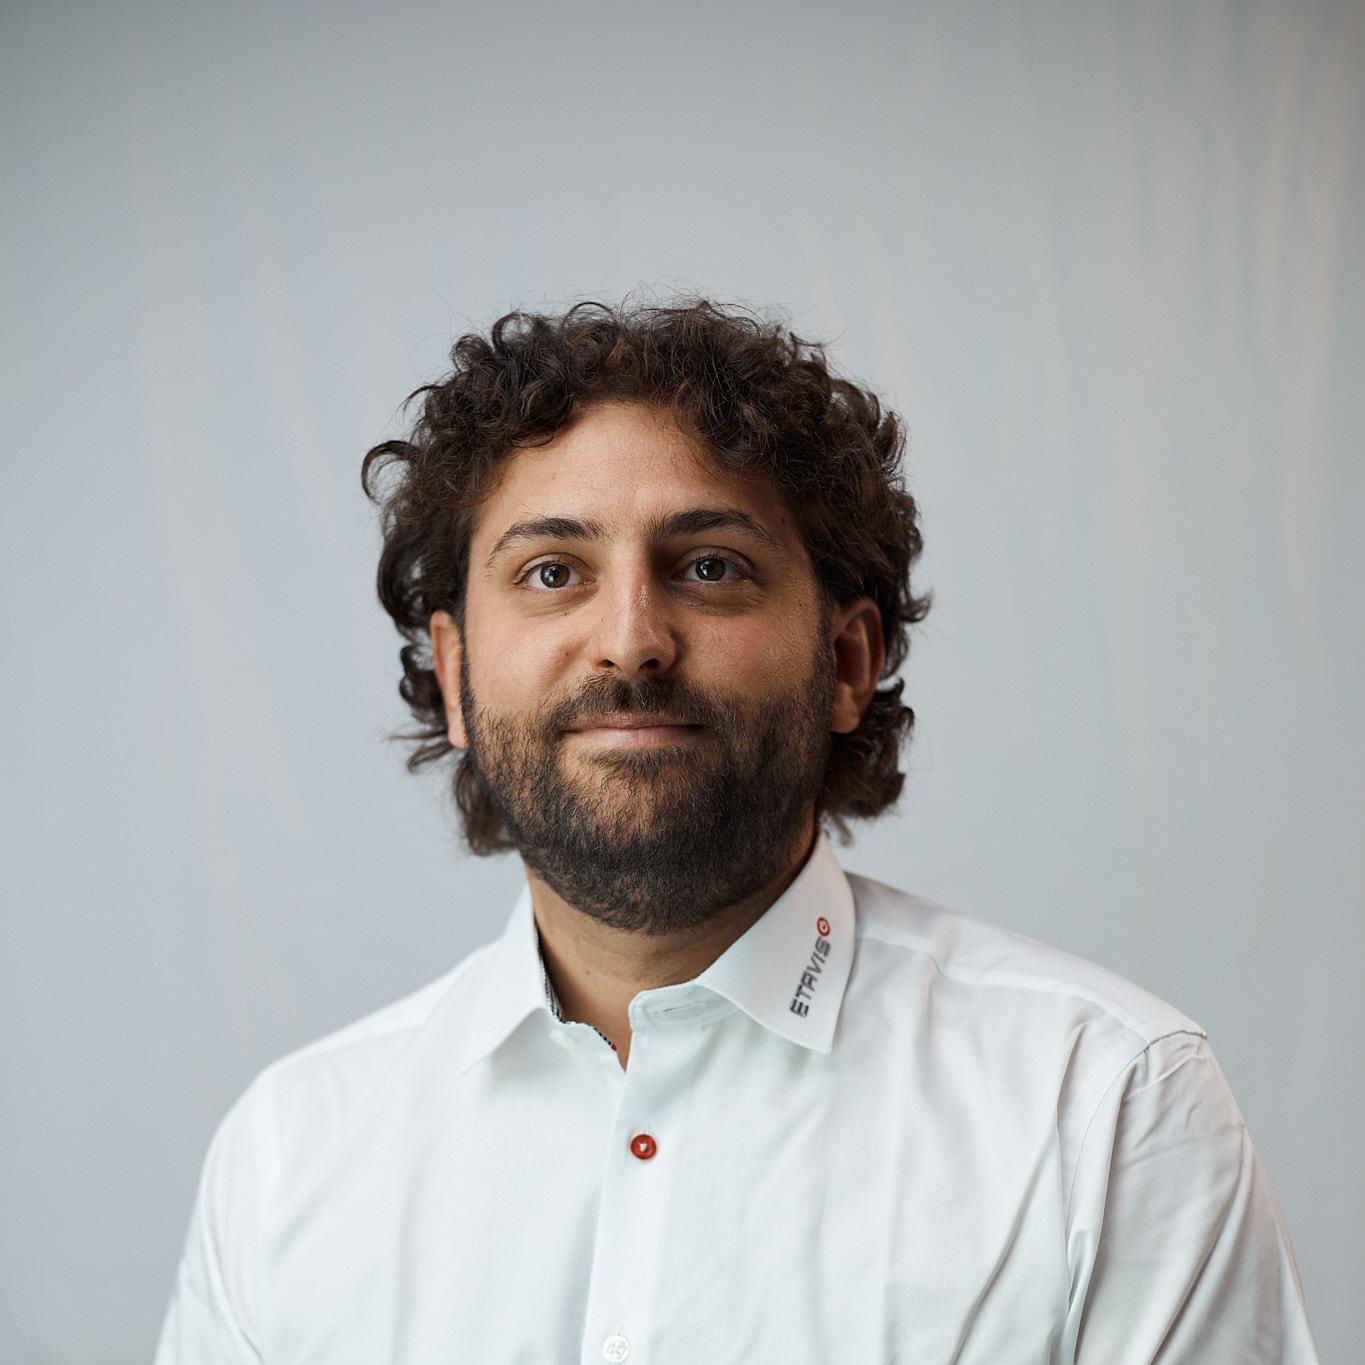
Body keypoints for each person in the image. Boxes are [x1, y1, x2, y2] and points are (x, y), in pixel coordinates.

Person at [155, 298, 1319, 1363]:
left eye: (710, 566)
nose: (630, 639)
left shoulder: (1104, 1109)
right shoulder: (289, 1157)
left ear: (848, 661)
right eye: (552, 572)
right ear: (456, 672)